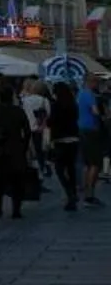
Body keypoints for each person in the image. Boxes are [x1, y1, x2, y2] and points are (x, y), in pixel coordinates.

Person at [0, 78, 32, 221]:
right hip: (16, 149)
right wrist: (24, 146)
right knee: (17, 181)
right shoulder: (18, 111)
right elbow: (27, 131)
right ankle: (16, 210)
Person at [48, 80, 81, 210]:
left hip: (60, 140)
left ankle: (69, 192)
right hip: (73, 138)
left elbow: (52, 122)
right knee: (71, 167)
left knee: (59, 169)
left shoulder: (56, 105)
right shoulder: (73, 104)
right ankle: (73, 191)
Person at [77, 76, 104, 207]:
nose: (98, 85)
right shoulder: (89, 95)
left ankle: (87, 192)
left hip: (81, 130)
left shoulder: (80, 94)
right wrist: (104, 116)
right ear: (91, 82)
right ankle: (90, 194)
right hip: (91, 130)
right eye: (97, 82)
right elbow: (95, 111)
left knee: (87, 163)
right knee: (95, 163)